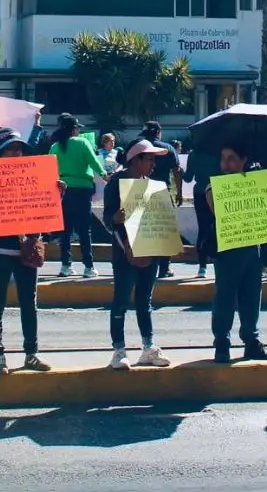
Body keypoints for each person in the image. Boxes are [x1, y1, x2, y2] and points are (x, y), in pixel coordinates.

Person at [0, 128, 56, 374]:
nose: (17, 153)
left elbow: (47, 208)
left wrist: (56, 194)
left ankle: (31, 354)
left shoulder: (34, 174)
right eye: (11, 149)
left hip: (25, 247)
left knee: (29, 302)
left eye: (19, 149)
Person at [102, 139, 172, 369]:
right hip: (125, 252)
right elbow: (107, 220)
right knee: (121, 300)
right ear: (135, 159)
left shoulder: (153, 186)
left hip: (149, 249)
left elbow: (160, 220)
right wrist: (115, 219)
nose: (153, 164)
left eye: (154, 159)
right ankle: (119, 351)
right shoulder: (116, 183)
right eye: (150, 158)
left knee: (145, 300)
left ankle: (148, 347)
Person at [208, 141, 267, 363]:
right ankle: (222, 343)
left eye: (231, 158)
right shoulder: (215, 185)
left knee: (251, 296)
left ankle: (251, 340)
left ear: (244, 160)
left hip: (252, 248)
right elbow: (214, 208)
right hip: (227, 249)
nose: (225, 164)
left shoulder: (256, 182)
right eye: (223, 158)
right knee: (225, 295)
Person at [49, 113, 106, 278]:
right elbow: (94, 161)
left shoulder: (55, 146)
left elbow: (49, 168)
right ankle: (89, 267)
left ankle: (65, 266)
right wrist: (104, 174)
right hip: (83, 189)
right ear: (74, 129)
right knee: (84, 230)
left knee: (65, 230)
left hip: (63, 190)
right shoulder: (83, 142)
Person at [140, 122, 183, 279]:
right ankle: (164, 268)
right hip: (162, 191)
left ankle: (143, 266)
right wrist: (179, 193)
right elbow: (177, 171)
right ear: (158, 132)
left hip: (139, 192)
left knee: (142, 230)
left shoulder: (137, 146)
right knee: (165, 232)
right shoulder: (167, 148)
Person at [183, 149, 220, 278]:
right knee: (220, 227)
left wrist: (180, 172)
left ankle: (202, 267)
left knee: (203, 229)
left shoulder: (193, 154)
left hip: (199, 191)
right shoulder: (218, 151)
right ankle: (219, 264)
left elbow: (188, 178)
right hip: (218, 188)